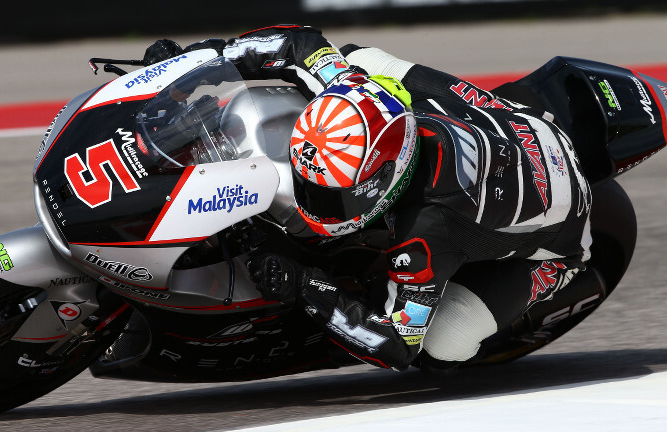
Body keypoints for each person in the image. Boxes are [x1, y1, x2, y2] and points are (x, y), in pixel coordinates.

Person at [143, 25, 592, 372]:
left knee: (445, 345)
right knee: (358, 55)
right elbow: (300, 43)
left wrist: (306, 286)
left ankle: (548, 278)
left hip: (562, 232)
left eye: (330, 195)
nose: (312, 201)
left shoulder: (425, 236)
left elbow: (396, 346)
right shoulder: (353, 85)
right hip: (517, 124)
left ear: (385, 178)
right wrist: (194, 62)